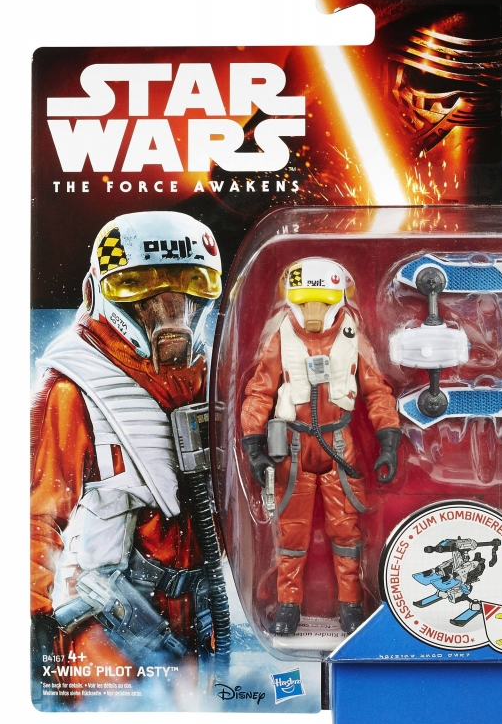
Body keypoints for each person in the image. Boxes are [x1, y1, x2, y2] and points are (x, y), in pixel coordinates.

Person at [31, 211, 227, 692]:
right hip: (109, 629)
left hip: (203, 618)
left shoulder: (217, 378)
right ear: (96, 292)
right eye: (138, 287)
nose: (170, 310)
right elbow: (34, 518)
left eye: (189, 286)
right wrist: (33, 616)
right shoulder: (72, 390)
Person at [240, 258, 401, 636]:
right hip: (293, 448)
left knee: (347, 532)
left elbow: (377, 390)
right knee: (291, 534)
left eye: (323, 302)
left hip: (339, 446)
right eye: (305, 302)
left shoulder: (352, 336)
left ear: (339, 299)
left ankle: (351, 604)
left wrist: (388, 440)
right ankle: (288, 605)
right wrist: (254, 446)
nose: (313, 312)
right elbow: (259, 392)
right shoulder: (280, 337)